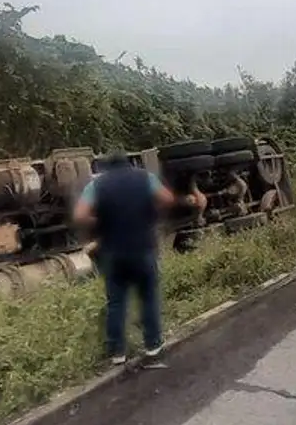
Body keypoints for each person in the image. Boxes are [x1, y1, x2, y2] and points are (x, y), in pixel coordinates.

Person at [73, 152, 204, 365]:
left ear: (105, 168)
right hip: (142, 248)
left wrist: (102, 222)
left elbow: (80, 215)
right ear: (130, 163)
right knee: (148, 297)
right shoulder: (144, 177)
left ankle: (117, 353)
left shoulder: (97, 185)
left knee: (116, 302)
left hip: (113, 252)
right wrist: (149, 213)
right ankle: (152, 348)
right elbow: (167, 199)